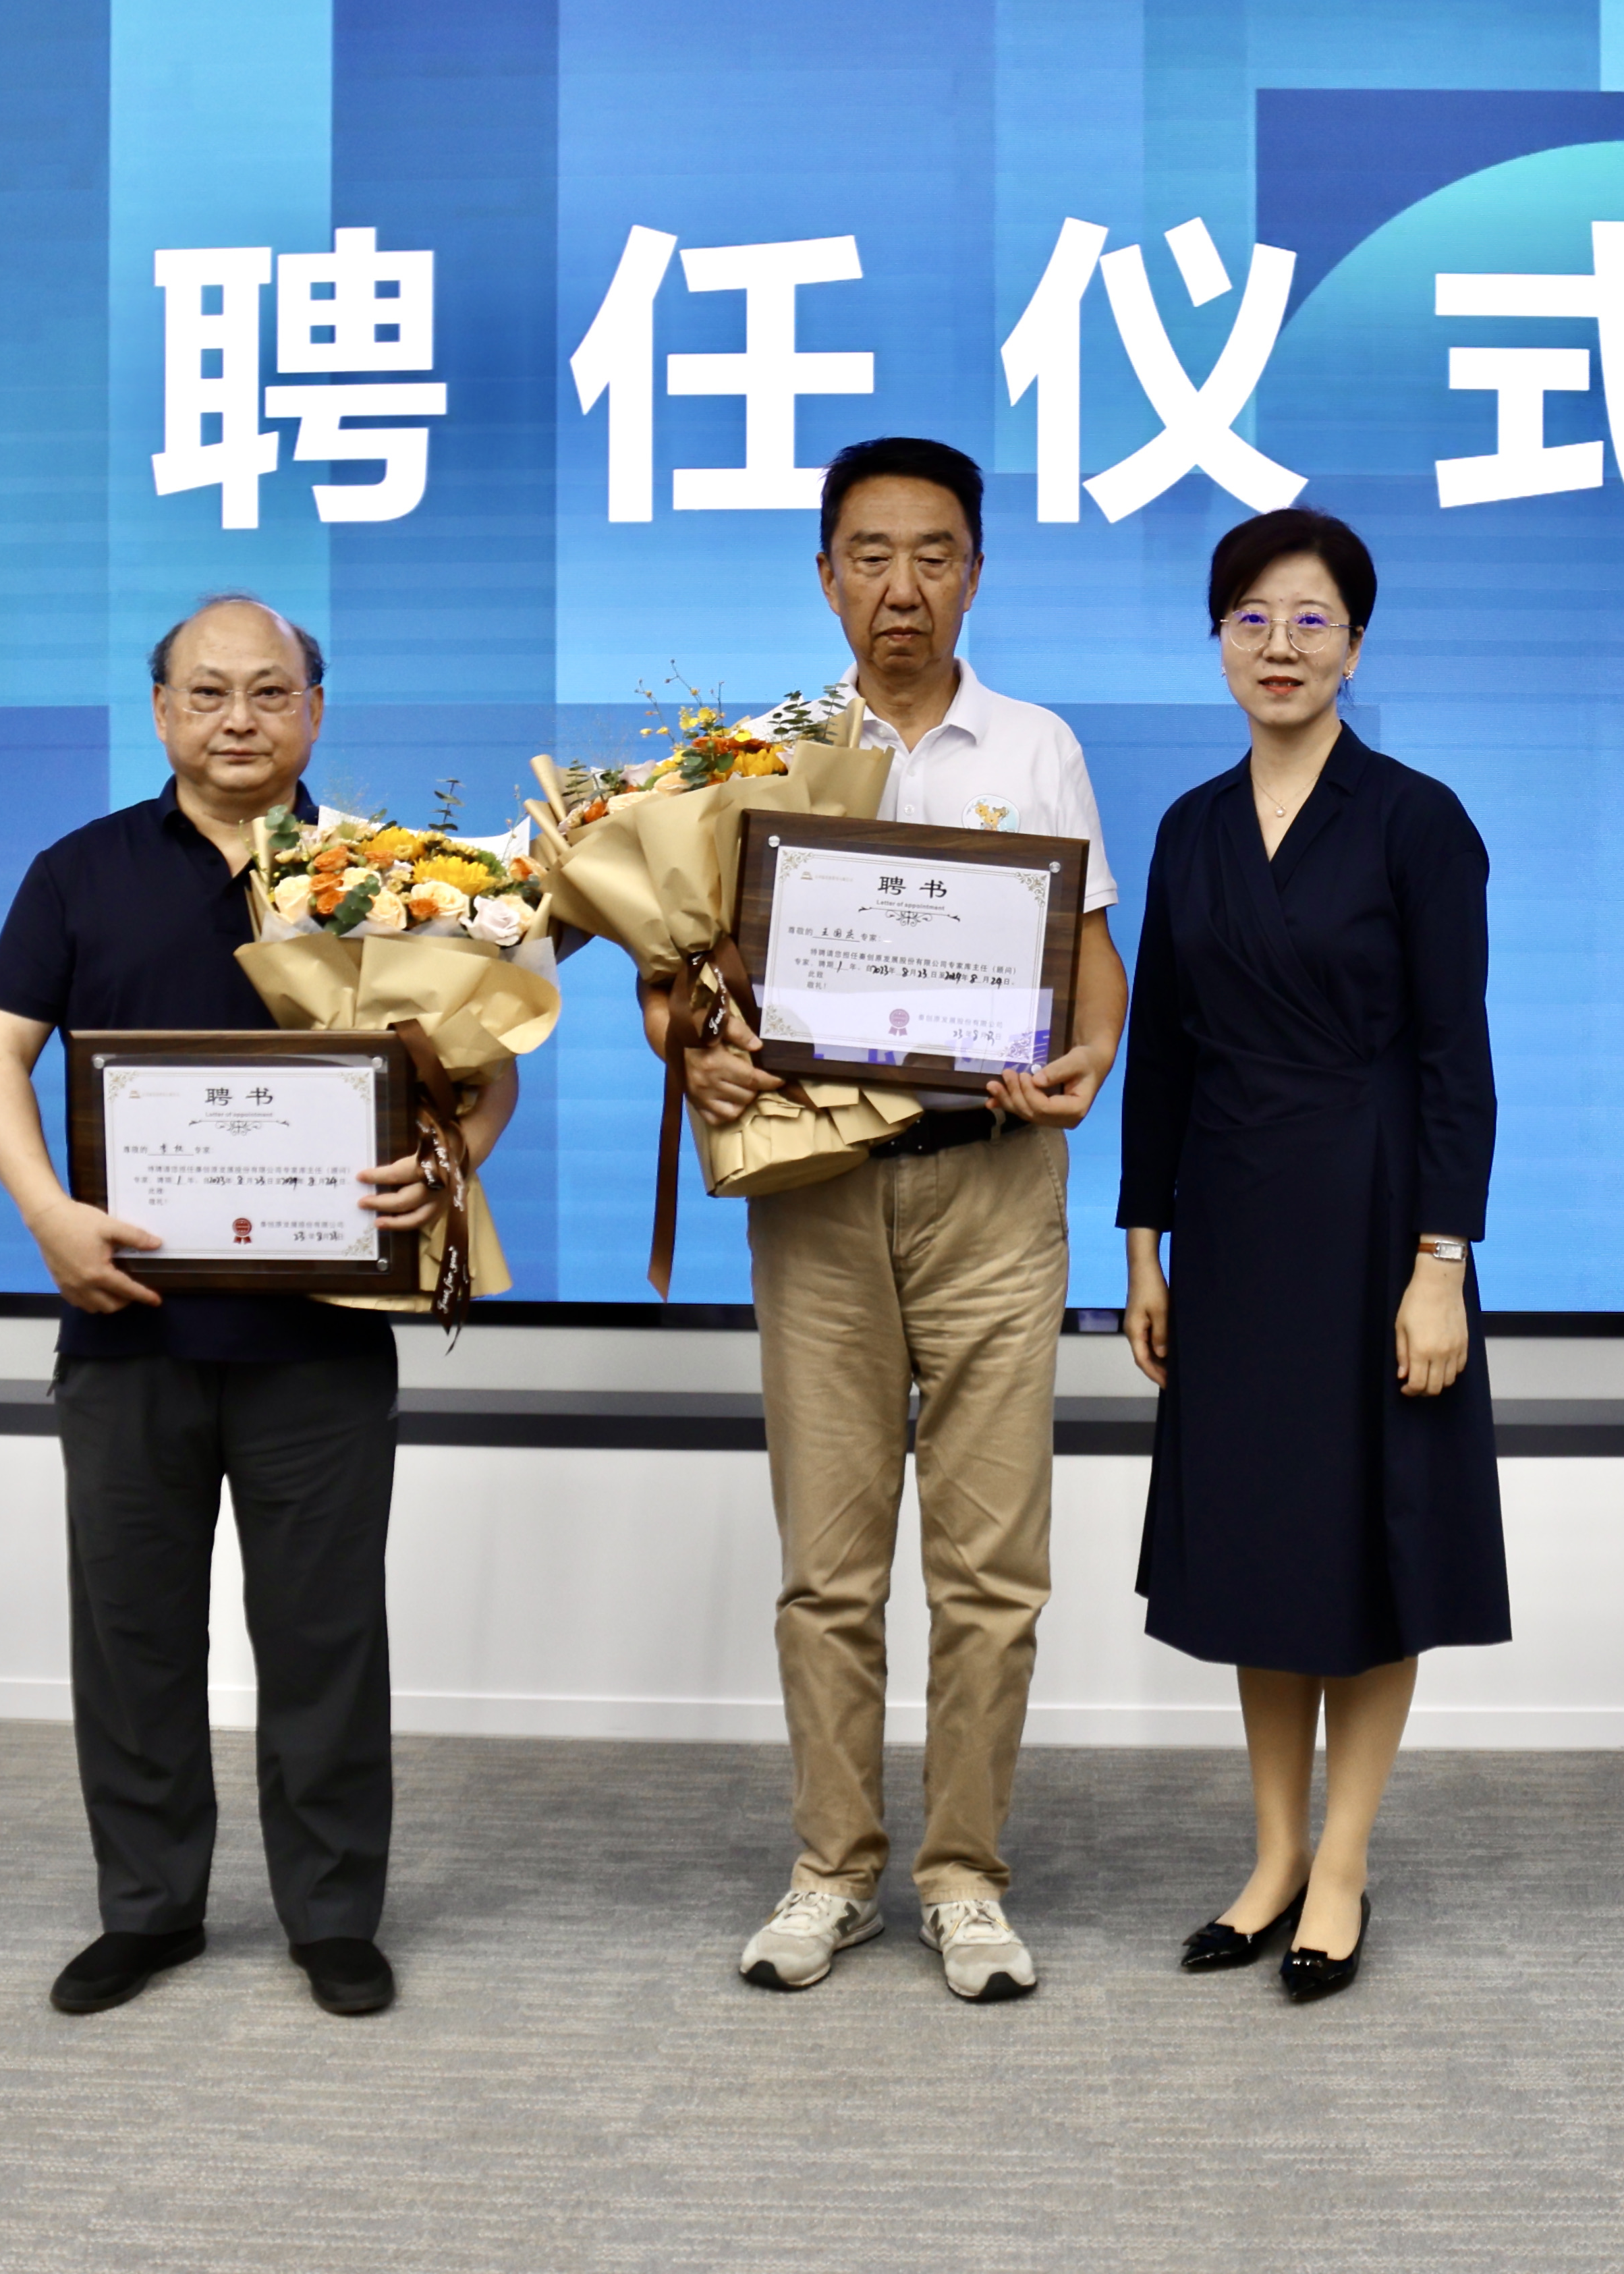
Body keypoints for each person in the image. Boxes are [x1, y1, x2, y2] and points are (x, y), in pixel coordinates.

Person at [0, 594, 518, 2020]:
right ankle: (148, 1909)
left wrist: (444, 1164)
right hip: (125, 1322)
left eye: (270, 692)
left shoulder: (392, 877)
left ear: (314, 711)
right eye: (206, 693)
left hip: (319, 1338)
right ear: (161, 712)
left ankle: (332, 1914)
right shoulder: (78, 872)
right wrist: (48, 1214)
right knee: (132, 1636)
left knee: (325, 1638)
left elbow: (489, 1066)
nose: (238, 719)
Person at [646, 437, 1129, 2001]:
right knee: (829, 1562)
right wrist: (692, 1047)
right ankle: (830, 1867)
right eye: (869, 554)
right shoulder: (765, 754)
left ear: (973, 573)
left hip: (994, 1186)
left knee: (991, 1566)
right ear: (824, 575)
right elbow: (679, 974)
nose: (900, 586)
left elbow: (1091, 956)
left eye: (932, 555)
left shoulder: (1036, 745)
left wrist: (1092, 1052)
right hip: (819, 1194)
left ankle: (965, 1874)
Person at [1115, 507, 1507, 2002]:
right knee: (1256, 1545)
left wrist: (1439, 1261)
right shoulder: (1188, 826)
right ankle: (1272, 1852)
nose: (1278, 647)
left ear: (1356, 642)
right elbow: (1162, 1056)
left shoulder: (1417, 819)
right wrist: (1143, 1248)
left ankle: (1342, 1862)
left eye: (1311, 619)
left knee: (1367, 1541)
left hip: (1372, 1220)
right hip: (1229, 1220)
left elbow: (1455, 1058)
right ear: (1217, 639)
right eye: (1251, 619)